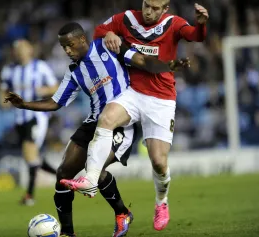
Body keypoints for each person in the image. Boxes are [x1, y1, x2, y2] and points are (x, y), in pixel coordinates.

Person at [4, 23, 190, 237]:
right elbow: (56, 102)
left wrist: (168, 65)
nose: (66, 51)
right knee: (63, 173)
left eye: (70, 45)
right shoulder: (74, 71)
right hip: (94, 122)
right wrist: (24, 103)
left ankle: (122, 213)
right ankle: (67, 233)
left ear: (82, 40)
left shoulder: (107, 47)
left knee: (97, 167)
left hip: (123, 122)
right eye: (63, 47)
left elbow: (141, 60)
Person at [60, 0, 209, 232]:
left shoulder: (174, 23)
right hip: (133, 92)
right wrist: (109, 32)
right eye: (146, 5)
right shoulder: (127, 19)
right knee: (107, 117)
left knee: (159, 163)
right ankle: (90, 179)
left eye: (155, 8)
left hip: (161, 100)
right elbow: (99, 31)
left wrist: (201, 25)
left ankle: (161, 202)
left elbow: (195, 36)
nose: (149, 11)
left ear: (165, 9)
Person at [0, 39, 59, 206]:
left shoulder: (39, 67)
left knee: (29, 150)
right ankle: (62, 177)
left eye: (22, 47)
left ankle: (29, 195)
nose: (19, 51)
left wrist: (43, 90)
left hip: (37, 115)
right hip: (18, 118)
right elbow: (3, 90)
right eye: (16, 48)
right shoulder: (9, 69)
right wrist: (3, 99)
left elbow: (55, 86)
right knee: (31, 157)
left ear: (30, 50)